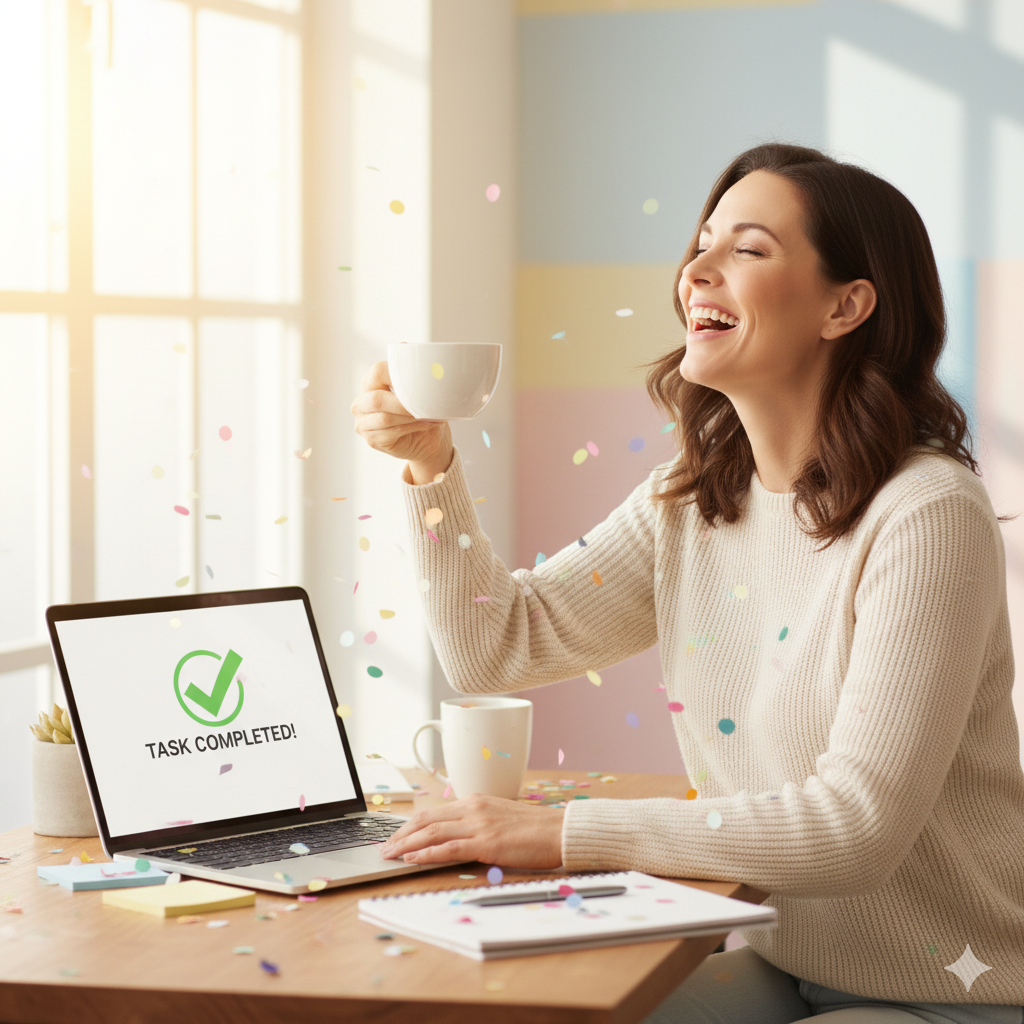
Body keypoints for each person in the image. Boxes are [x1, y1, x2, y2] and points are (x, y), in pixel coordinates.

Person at [350, 143, 1024, 1023]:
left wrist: (560, 834)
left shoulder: (927, 512)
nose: (696, 270)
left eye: (747, 250)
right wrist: (431, 469)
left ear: (845, 305)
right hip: (782, 965)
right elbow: (497, 646)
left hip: (949, 997)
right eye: (701, 243)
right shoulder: (698, 498)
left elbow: (855, 829)